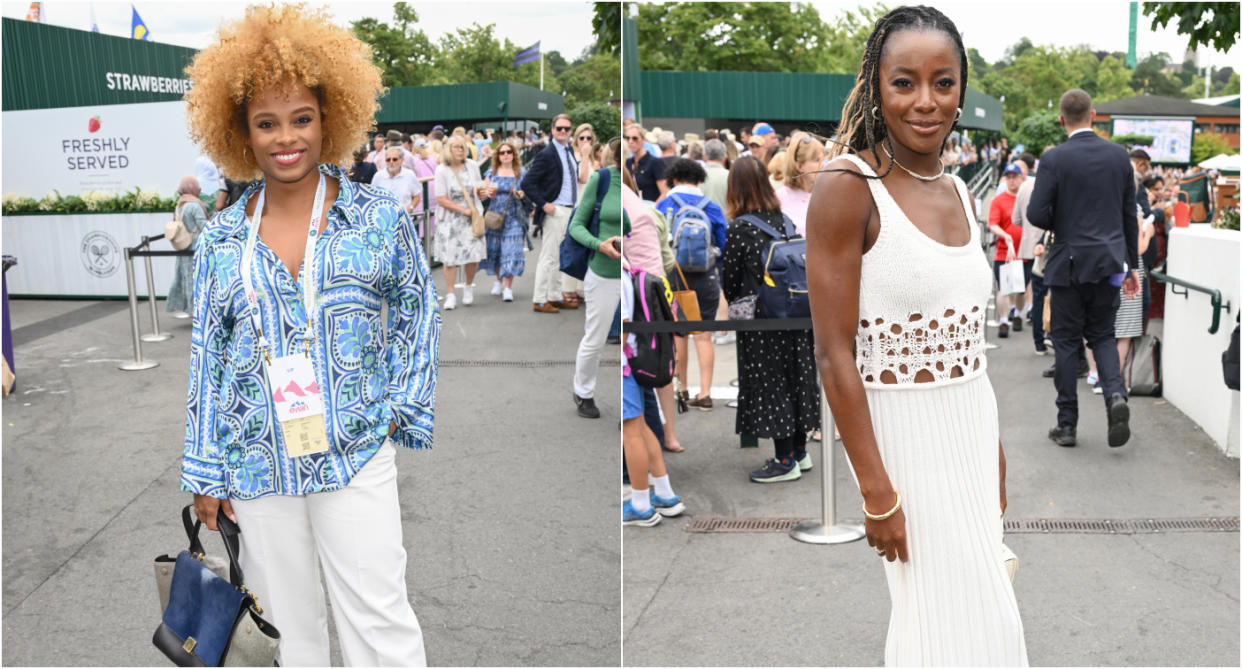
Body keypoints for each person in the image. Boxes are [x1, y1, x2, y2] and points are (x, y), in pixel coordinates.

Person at [181, 5, 437, 665]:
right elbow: (207, 357)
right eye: (266, 123)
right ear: (242, 132)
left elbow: (418, 310)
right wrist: (206, 471)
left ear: (330, 118)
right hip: (257, 460)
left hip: (355, 451)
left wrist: (397, 410)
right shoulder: (223, 238)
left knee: (380, 622)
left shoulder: (376, 217)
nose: (285, 138)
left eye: (301, 118)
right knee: (286, 634)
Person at [806, 6, 1027, 665]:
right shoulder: (849, 185)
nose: (925, 102)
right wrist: (877, 492)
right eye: (905, 82)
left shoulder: (959, 190)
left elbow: (965, 348)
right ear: (876, 85)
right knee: (947, 627)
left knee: (980, 623)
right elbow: (833, 352)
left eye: (944, 82)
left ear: (963, 88)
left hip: (969, 435)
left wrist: (994, 449)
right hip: (905, 450)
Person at [1027, 88, 1139, 449]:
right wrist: (1133, 266)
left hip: (1068, 263)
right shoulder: (1119, 156)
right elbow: (1128, 217)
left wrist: (1062, 215)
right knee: (1103, 335)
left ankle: (1067, 424)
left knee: (1065, 342)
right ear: (1094, 115)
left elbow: (1035, 214)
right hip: (1109, 261)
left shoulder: (1055, 159)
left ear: (1062, 120)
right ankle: (1115, 396)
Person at [722, 155, 820, 482]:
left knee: (773, 385)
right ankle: (799, 452)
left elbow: (731, 281)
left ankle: (784, 461)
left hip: (764, 320)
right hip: (796, 314)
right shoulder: (784, 220)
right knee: (796, 381)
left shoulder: (740, 227)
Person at [656, 158, 727, 411]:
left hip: (675, 275)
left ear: (674, 179)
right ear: (699, 180)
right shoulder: (712, 207)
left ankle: (682, 388)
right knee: (703, 336)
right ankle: (706, 393)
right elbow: (722, 243)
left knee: (679, 334)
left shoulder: (664, 204)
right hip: (706, 277)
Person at [569, 137, 626, 419]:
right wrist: (599, 244)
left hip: (635, 275)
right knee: (597, 337)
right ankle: (583, 392)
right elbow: (576, 226)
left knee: (638, 343)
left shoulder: (639, 184)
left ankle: (636, 407)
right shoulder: (602, 179)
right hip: (604, 272)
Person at [521, 113, 581, 313]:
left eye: (567, 128)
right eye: (559, 128)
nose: (563, 131)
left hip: (569, 209)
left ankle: (554, 296)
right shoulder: (546, 153)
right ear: (552, 130)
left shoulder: (568, 150)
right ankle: (539, 299)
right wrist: (544, 204)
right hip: (556, 209)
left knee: (558, 257)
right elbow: (527, 183)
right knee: (548, 257)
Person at [434, 135, 487, 310]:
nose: (459, 150)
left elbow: (478, 190)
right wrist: (462, 210)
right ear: (448, 149)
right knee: (449, 259)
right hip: (449, 220)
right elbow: (440, 198)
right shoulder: (442, 170)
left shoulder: (472, 166)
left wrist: (484, 194)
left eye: (462, 147)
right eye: (456, 147)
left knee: (473, 256)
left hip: (471, 219)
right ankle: (450, 294)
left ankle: (468, 286)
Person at [480, 140, 528, 303]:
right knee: (496, 250)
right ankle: (498, 281)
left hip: (514, 216)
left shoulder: (521, 173)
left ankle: (508, 287)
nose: (506, 155)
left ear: (514, 155)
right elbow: (482, 194)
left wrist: (521, 195)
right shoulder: (491, 173)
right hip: (494, 215)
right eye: (502, 152)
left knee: (511, 250)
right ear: (498, 156)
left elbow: (527, 192)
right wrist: (486, 193)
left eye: (509, 152)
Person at [989, 163, 1025, 338]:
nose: (1011, 180)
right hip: (1004, 251)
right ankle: (1004, 321)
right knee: (1004, 287)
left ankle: (1017, 314)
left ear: (1021, 178)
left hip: (1024, 252)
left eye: (1014, 177)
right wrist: (1004, 235)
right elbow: (992, 224)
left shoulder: (1026, 199)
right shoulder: (999, 200)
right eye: (1008, 177)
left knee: (1020, 289)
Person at [166, 176, 208, 318]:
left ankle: (189, 308)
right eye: (197, 186)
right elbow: (203, 226)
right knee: (198, 279)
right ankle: (197, 311)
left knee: (185, 278)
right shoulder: (195, 205)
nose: (199, 189)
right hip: (196, 247)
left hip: (183, 247)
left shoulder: (180, 205)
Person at [774, 132, 825, 235]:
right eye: (817, 160)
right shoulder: (778, 199)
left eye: (823, 159)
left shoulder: (828, 197)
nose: (822, 165)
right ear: (799, 166)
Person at [371, 147, 421, 214]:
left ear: (401, 160)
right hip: (384, 220)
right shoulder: (378, 176)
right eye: (388, 160)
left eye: (395, 159)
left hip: (404, 219)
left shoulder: (410, 175)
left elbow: (417, 196)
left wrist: (410, 208)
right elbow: (372, 198)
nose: (391, 162)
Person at [624, 122, 663, 202]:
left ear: (643, 140)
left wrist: (653, 210)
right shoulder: (627, 163)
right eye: (628, 138)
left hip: (650, 209)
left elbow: (664, 192)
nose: (630, 141)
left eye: (635, 138)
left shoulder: (655, 162)